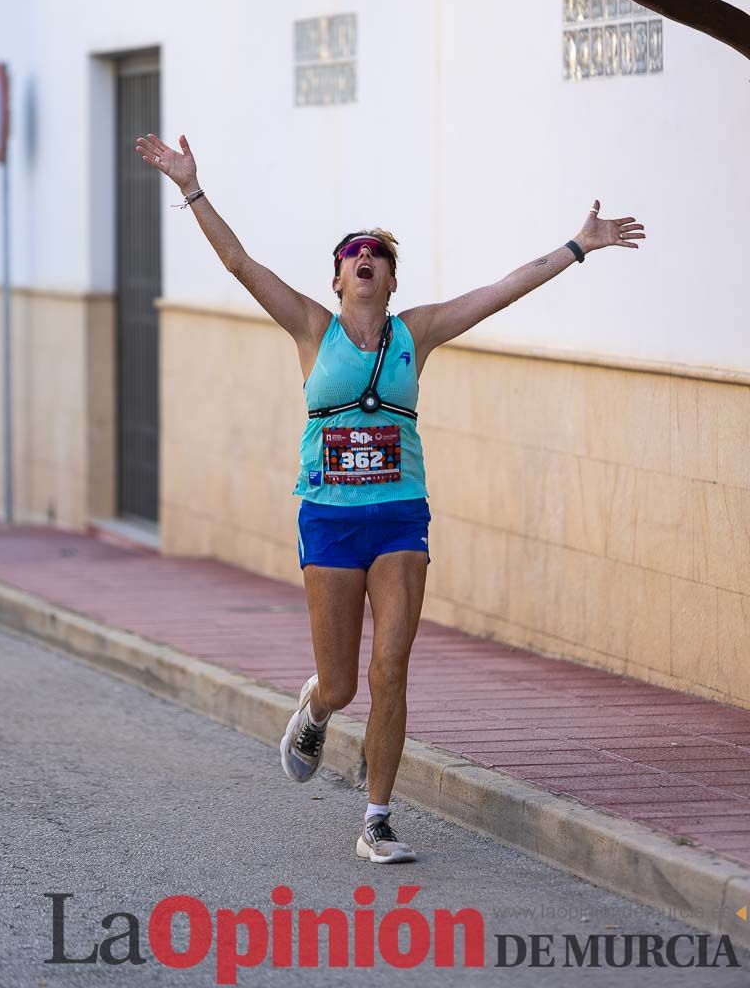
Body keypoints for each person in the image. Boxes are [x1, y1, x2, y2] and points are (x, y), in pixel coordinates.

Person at [135, 131, 646, 864]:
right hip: (331, 521)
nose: (365, 256)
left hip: (401, 518)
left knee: (393, 668)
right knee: (345, 683)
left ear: (391, 280)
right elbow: (240, 263)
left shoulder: (418, 333)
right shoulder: (313, 330)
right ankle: (316, 707)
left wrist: (577, 245)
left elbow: (500, 290)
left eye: (377, 252)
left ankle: (376, 819)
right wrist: (191, 186)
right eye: (353, 252)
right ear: (339, 279)